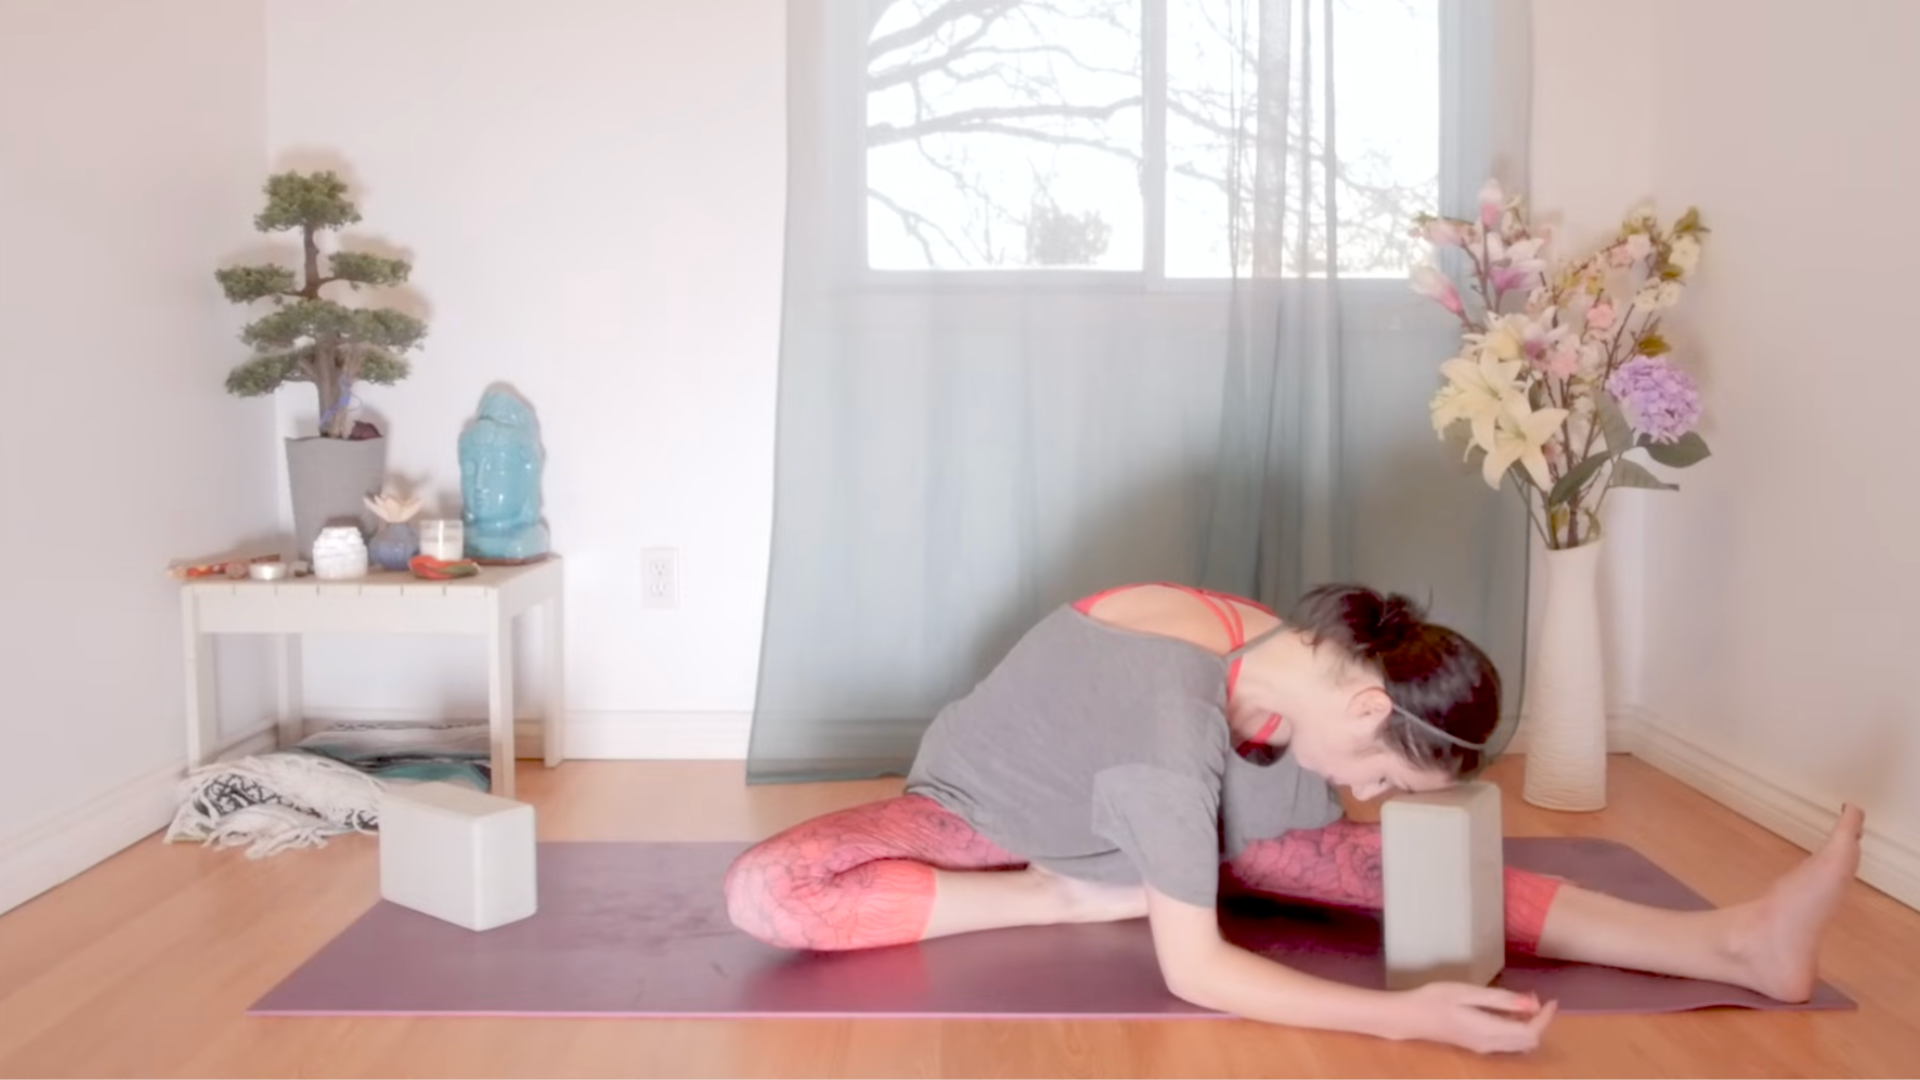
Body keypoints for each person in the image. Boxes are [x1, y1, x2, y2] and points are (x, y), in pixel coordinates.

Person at [723, 582, 1864, 1055]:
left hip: (1177, 811)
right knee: (768, 892)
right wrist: (1412, 1020)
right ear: (1366, 701)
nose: (1364, 792)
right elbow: (1200, 975)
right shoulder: (1166, 737)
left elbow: (1278, 783)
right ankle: (1067, 891)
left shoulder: (1274, 653)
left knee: (1373, 869)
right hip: (996, 814)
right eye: (1384, 772)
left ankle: (1731, 942)